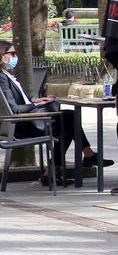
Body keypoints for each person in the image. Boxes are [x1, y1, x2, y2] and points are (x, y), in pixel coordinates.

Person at [0, 40, 110, 185]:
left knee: (68, 120)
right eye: (12, 53)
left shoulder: (6, 75)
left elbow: (20, 101)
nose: (15, 57)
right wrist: (35, 104)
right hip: (21, 126)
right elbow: (13, 109)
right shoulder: (2, 78)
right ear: (2, 55)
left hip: (21, 122)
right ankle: (83, 157)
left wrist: (38, 100)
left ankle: (59, 169)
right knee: (69, 121)